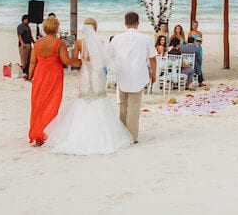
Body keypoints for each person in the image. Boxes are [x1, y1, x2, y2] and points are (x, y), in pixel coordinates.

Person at [43, 18, 133, 154]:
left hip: (85, 74)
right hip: (97, 75)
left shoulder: (79, 43)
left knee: (84, 98)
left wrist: (82, 62)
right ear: (95, 29)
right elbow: (103, 61)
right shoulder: (101, 42)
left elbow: (75, 61)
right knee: (99, 98)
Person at [27, 16, 82, 145]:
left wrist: (30, 77)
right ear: (56, 28)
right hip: (54, 75)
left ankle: (37, 133)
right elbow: (66, 61)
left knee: (38, 104)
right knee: (52, 103)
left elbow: (32, 62)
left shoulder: (38, 43)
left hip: (40, 74)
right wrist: (78, 61)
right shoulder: (59, 43)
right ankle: (46, 133)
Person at [109, 12, 157, 143]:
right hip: (138, 75)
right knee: (134, 107)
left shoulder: (116, 38)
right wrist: (153, 73)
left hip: (122, 74)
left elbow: (110, 56)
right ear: (138, 23)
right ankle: (131, 137)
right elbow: (152, 58)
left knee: (123, 105)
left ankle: (122, 133)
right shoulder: (145, 38)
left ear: (125, 23)